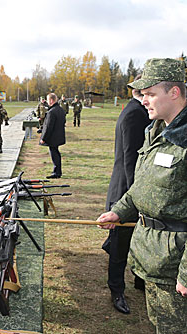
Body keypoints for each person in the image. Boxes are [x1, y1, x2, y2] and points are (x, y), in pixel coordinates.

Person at [97, 58, 187, 333]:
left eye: (150, 94)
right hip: (154, 258)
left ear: (174, 93)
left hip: (176, 263)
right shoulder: (156, 131)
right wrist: (120, 210)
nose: (143, 100)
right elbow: (143, 186)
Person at [101, 75, 150, 314]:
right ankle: (116, 290)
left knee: (138, 239)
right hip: (125, 190)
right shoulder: (134, 114)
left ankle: (140, 279)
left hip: (131, 188)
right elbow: (131, 158)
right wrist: (135, 198)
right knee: (120, 246)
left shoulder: (138, 111)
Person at [39, 93, 66, 179]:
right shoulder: (61, 110)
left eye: (47, 100)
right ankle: (58, 171)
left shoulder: (51, 112)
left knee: (54, 154)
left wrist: (43, 138)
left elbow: (48, 127)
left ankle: (56, 172)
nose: (47, 101)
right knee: (56, 153)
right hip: (59, 136)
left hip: (53, 138)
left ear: (51, 100)